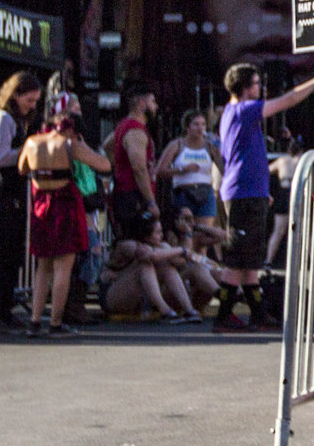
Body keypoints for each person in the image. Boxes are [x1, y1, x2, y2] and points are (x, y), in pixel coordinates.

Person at [210, 62, 314, 331]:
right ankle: (223, 316)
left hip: (249, 192)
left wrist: (262, 191)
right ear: (246, 87)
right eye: (257, 83)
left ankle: (258, 314)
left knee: (249, 262)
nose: (261, 88)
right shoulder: (244, 110)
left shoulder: (232, 112)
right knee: (237, 259)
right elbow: (287, 101)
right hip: (243, 194)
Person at [18, 95, 115, 337]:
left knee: (43, 267)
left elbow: (22, 168)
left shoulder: (32, 142)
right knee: (63, 267)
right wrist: (81, 145)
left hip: (41, 205)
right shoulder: (71, 145)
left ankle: (34, 321)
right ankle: (55, 323)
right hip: (65, 204)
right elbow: (104, 165)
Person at [0, 72, 43, 335]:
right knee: (3, 255)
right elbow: (0, 157)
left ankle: (4, 309)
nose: (32, 106)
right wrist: (28, 149)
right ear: (15, 95)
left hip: (13, 192)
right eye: (29, 100)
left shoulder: (15, 119)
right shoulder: (2, 118)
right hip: (2, 193)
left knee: (13, 255)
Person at [104, 214, 203, 323]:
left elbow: (180, 261)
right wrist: (181, 250)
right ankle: (165, 310)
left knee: (166, 265)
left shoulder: (160, 245)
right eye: (157, 232)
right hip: (112, 297)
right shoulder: (127, 245)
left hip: (137, 300)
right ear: (146, 236)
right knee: (145, 265)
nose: (161, 235)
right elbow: (151, 256)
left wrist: (187, 236)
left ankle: (189, 309)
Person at [106, 88, 160, 240]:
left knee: (137, 241)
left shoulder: (123, 127)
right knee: (139, 243)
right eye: (153, 102)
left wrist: (118, 167)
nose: (156, 107)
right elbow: (139, 168)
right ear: (141, 104)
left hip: (129, 197)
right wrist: (151, 202)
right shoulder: (135, 130)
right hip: (134, 199)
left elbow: (106, 146)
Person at [156, 108, 222, 223]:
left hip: (205, 191)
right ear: (187, 127)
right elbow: (160, 170)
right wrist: (182, 169)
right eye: (196, 124)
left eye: (203, 124)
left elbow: (223, 169)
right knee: (187, 229)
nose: (200, 128)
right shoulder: (177, 145)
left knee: (206, 230)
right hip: (183, 192)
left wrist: (220, 153)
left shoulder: (209, 147)